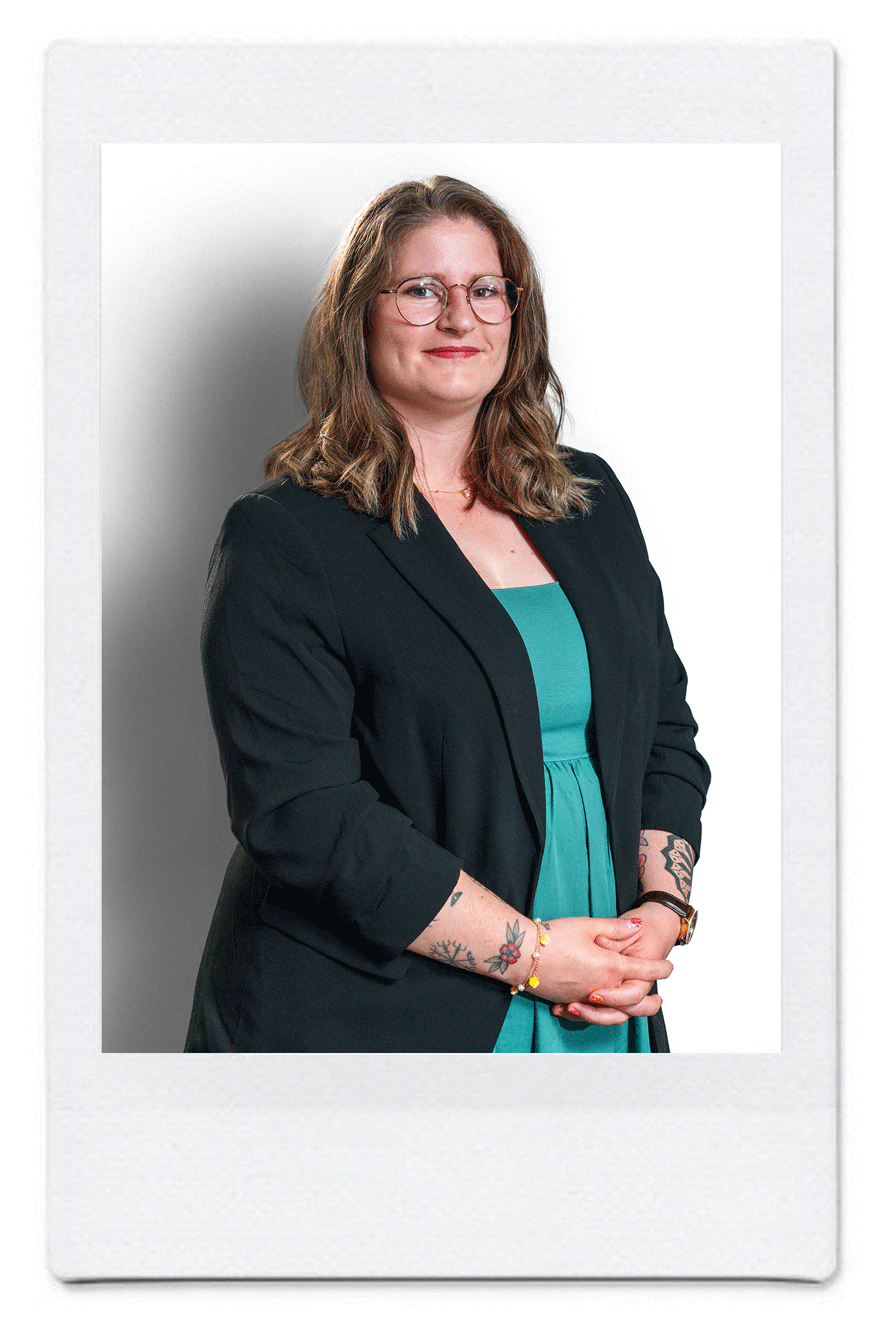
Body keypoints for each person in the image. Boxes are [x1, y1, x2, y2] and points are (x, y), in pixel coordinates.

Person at [184, 175, 710, 1054]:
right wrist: (535, 956)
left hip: (603, 986)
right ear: (359, 316)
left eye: (485, 289)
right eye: (422, 290)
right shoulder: (285, 538)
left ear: (516, 313)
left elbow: (664, 731)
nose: (460, 319)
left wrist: (661, 913)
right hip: (380, 1014)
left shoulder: (591, 501)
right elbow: (306, 814)